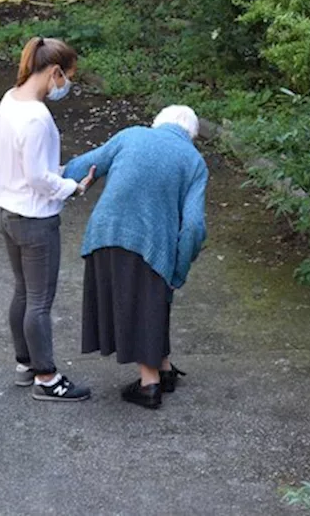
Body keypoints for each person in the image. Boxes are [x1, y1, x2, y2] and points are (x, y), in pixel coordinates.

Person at [62, 105, 208, 409]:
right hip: (155, 244)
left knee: (145, 302)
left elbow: (82, 167)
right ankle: (150, 383)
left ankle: (162, 369)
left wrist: (46, 179)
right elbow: (193, 226)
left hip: (106, 233)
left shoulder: (131, 135)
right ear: (192, 135)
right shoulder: (194, 161)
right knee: (150, 300)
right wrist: (178, 271)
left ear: (158, 123)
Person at [0, 36, 95, 402]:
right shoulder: (36, 117)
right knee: (39, 301)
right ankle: (47, 378)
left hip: (7, 211)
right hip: (35, 220)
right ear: (54, 72)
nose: (65, 85)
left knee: (23, 291)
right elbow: (38, 178)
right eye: (66, 77)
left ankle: (26, 364)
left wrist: (62, 172)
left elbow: (28, 166)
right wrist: (73, 187)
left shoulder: (11, 99)